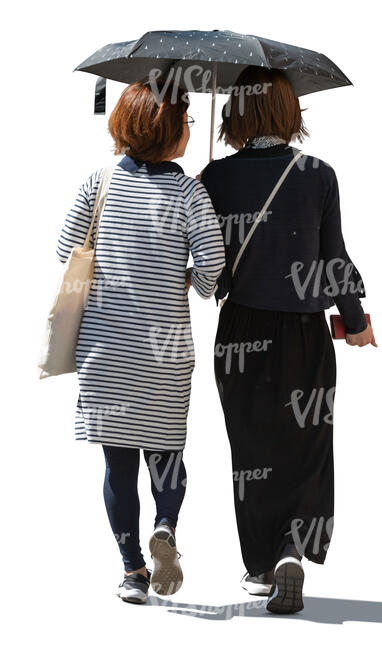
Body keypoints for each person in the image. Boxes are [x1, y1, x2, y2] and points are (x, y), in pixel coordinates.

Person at [200, 66, 376, 614]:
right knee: (305, 447)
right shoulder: (318, 175)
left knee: (251, 449)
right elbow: (334, 257)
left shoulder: (214, 177)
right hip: (304, 332)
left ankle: (257, 566)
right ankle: (292, 550)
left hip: (241, 331)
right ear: (289, 113)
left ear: (238, 112)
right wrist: (358, 320)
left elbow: (212, 271)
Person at [56, 81, 226, 604]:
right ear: (171, 132)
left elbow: (66, 248)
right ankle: (167, 525)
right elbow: (213, 265)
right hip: (166, 350)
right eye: (187, 122)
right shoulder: (189, 191)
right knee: (167, 452)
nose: (190, 130)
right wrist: (191, 282)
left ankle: (132, 571)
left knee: (118, 463)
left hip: (105, 349)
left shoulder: (98, 181)